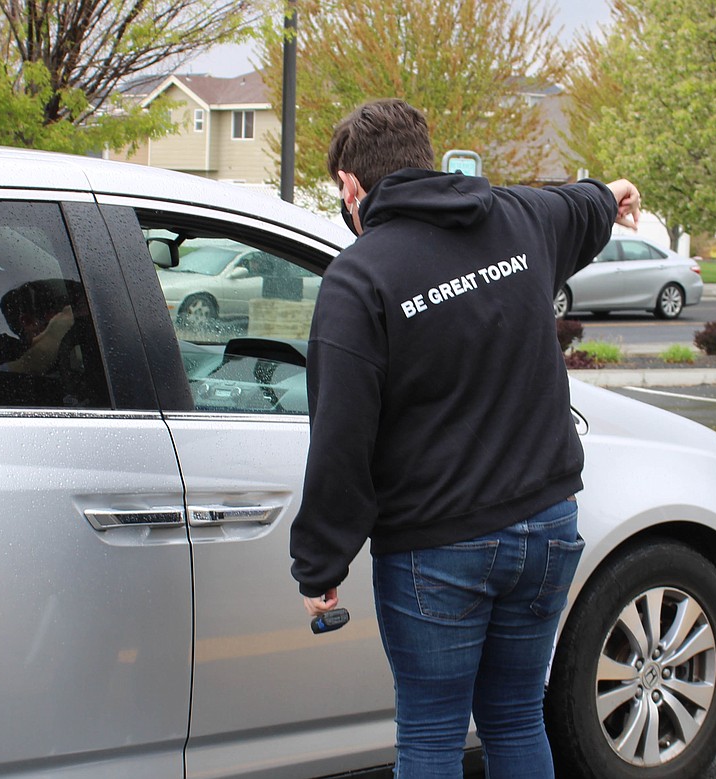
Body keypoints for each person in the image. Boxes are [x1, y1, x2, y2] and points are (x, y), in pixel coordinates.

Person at [288, 98, 641, 778]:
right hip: (546, 526)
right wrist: (615, 191)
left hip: (435, 547)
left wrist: (320, 564)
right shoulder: (517, 218)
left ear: (350, 187)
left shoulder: (360, 279)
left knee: (431, 735)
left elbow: (340, 436)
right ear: (423, 158)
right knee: (513, 714)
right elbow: (583, 205)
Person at [0, 278, 104, 407]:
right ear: (28, 322)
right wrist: (52, 341)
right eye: (73, 319)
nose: (84, 327)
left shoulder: (95, 364)